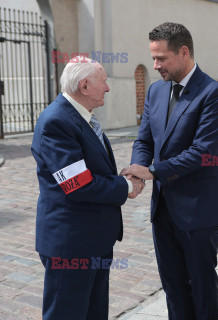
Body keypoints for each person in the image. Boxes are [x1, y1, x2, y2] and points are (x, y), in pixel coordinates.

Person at [121, 22, 218, 320]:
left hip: (199, 208)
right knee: (173, 287)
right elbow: (144, 139)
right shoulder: (156, 91)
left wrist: (155, 172)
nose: (155, 65)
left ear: (183, 53)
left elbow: (202, 153)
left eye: (161, 58)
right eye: (153, 57)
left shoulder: (213, 93)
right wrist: (138, 170)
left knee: (201, 285)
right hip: (163, 208)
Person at [31, 57, 145, 319]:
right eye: (103, 81)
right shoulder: (56, 121)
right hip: (71, 247)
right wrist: (126, 185)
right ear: (84, 85)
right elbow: (77, 185)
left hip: (94, 241)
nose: (107, 88)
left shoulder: (81, 116)